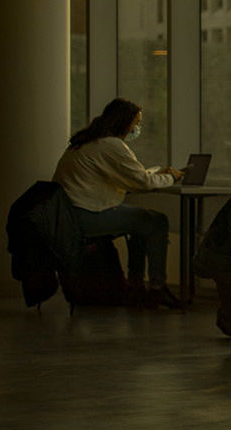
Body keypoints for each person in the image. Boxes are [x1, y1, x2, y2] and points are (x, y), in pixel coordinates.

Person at [52, 98, 183, 309]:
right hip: (86, 215)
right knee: (157, 222)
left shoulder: (86, 142)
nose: (137, 128)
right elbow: (142, 182)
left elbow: (129, 177)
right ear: (124, 122)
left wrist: (154, 175)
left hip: (70, 214)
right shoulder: (111, 145)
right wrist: (171, 177)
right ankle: (156, 288)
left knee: (142, 222)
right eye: (136, 123)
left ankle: (136, 287)